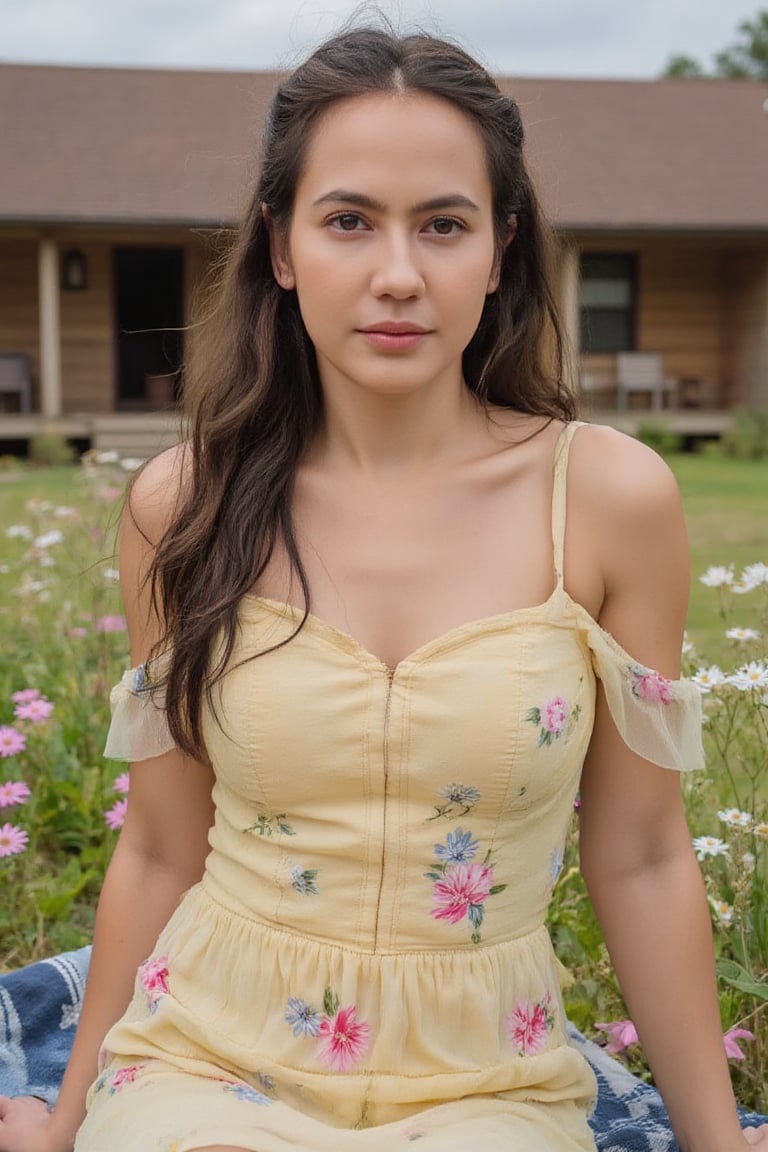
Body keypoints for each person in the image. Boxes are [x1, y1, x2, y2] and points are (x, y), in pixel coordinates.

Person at [1, 23, 766, 1152]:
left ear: (499, 251)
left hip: (486, 1081)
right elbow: (161, 845)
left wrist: (715, 1143)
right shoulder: (183, 506)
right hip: (210, 1054)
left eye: (444, 225)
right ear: (280, 244)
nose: (398, 274)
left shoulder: (607, 500)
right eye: (350, 220)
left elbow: (644, 850)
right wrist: (64, 1124)